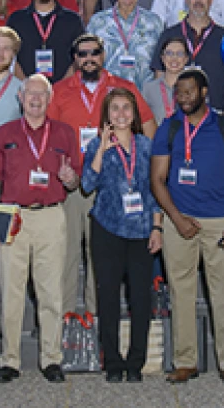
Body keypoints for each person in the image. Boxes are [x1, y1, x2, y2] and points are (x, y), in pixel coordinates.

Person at [150, 67, 224, 385]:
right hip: (179, 220)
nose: (184, 97)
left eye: (190, 91)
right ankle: (185, 361)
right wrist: (176, 219)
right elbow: (157, 179)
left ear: (205, 92)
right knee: (181, 292)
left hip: (220, 221)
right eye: (179, 92)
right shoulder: (168, 128)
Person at [47, 34, 158, 313]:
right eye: (82, 54)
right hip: (76, 183)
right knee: (70, 253)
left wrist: (146, 171)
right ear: (75, 58)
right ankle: (68, 317)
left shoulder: (123, 88)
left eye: (94, 53)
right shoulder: (59, 91)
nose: (88, 59)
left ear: (103, 54)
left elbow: (148, 126)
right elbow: (50, 138)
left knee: (102, 258)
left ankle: (98, 317)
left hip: (116, 186)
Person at [0, 74, 80, 384]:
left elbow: (75, 179)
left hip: (51, 215)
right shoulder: (4, 133)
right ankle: (9, 360)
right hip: (12, 216)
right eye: (30, 94)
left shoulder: (64, 133)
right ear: (20, 98)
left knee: (51, 291)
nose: (35, 99)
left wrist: (69, 179)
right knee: (10, 290)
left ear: (49, 100)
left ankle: (51, 359)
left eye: (41, 94)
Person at [82, 89, 164, 382]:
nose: (120, 114)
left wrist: (157, 227)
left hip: (142, 231)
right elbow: (87, 185)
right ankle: (113, 362)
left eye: (126, 108)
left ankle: (136, 362)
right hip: (107, 228)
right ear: (106, 115)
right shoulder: (96, 145)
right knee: (108, 298)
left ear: (134, 113)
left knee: (141, 298)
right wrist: (102, 150)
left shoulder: (146, 146)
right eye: (114, 109)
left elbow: (155, 190)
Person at [150, 0, 224, 112]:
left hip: (214, 115)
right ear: (186, 1)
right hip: (176, 114)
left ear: (211, 1)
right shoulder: (169, 34)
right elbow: (159, 75)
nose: (198, 0)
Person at [6, 0, 86, 83]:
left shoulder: (73, 20)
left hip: (64, 91)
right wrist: (28, 87)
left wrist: (61, 88)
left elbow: (80, 56)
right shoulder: (16, 20)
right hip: (26, 90)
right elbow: (11, 57)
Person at [86, 0, 164, 88]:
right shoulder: (98, 22)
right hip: (108, 94)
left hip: (144, 95)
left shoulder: (154, 22)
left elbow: (161, 63)